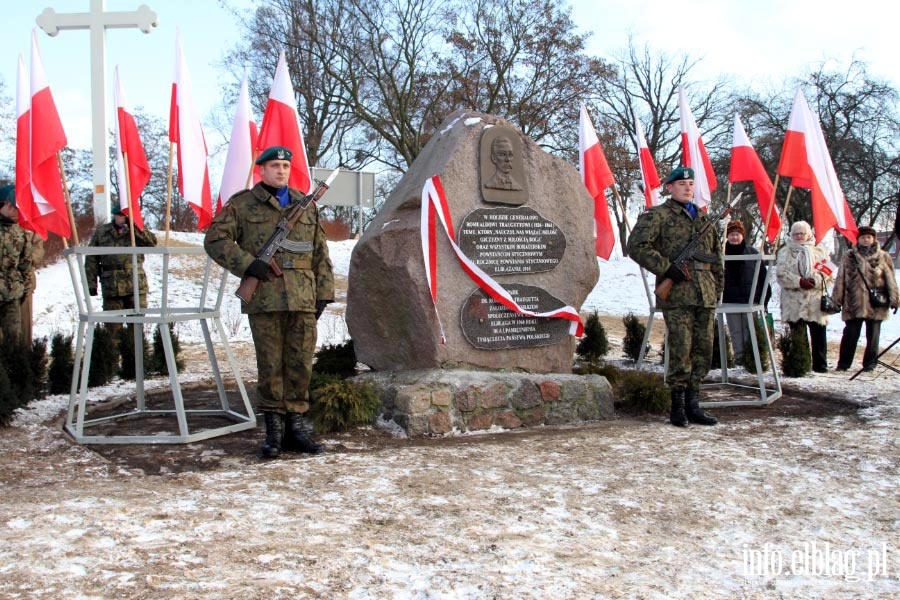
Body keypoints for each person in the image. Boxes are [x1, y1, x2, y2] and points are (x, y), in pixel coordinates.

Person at [204, 145, 335, 458]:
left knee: (301, 365)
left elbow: (320, 253)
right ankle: (273, 432)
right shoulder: (243, 204)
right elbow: (214, 239)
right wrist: (248, 264)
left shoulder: (307, 206)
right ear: (261, 170)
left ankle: (296, 429)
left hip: (303, 297)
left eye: (285, 166)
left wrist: (324, 293)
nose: (281, 171)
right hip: (265, 296)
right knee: (270, 366)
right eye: (274, 166)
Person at [627, 166, 723, 427]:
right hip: (678, 293)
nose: (688, 187)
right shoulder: (658, 215)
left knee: (703, 350)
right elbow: (635, 246)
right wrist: (666, 268)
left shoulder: (704, 219)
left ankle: (695, 404)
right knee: (681, 349)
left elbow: (716, 258)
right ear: (669, 187)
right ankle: (677, 406)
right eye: (682, 184)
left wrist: (718, 289)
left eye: (691, 183)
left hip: (705, 293)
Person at [832, 225, 899, 371]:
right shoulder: (848, 256)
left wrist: (894, 299)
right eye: (863, 237)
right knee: (850, 335)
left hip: (876, 303)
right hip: (853, 302)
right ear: (858, 239)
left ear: (874, 238)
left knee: (873, 337)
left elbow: (891, 279)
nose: (866, 240)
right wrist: (836, 300)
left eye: (869, 237)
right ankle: (843, 364)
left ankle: (870, 364)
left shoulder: (883, 256)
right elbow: (840, 279)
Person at [775, 220, 832, 373]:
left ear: (808, 234)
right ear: (791, 235)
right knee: (798, 335)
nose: (799, 236)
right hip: (793, 300)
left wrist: (815, 280)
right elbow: (781, 274)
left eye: (802, 233)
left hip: (815, 300)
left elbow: (828, 273)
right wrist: (799, 281)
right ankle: (802, 364)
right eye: (796, 234)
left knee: (819, 335)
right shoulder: (785, 252)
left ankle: (820, 366)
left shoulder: (819, 251)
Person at [84, 202, 158, 315]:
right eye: (120, 214)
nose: (123, 217)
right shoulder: (102, 232)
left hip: (135, 284)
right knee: (112, 325)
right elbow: (91, 258)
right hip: (111, 285)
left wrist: (134, 227)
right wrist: (91, 283)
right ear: (115, 215)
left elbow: (151, 243)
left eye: (126, 214)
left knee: (136, 325)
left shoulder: (137, 231)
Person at [722, 220, 771, 363]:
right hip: (730, 300)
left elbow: (763, 277)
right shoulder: (721, 254)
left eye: (737, 234)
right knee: (735, 331)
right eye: (731, 234)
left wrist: (764, 298)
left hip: (750, 299)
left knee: (750, 330)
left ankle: (752, 358)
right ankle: (739, 358)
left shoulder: (753, 253)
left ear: (742, 235)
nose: (734, 237)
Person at [0, 184, 37, 347]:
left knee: (14, 341)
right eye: (17, 210)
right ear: (8, 204)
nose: (19, 215)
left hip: (12, 294)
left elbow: (25, 265)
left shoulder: (20, 232)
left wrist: (25, 289)